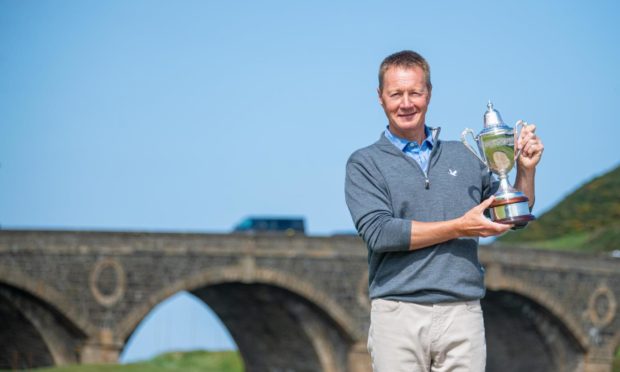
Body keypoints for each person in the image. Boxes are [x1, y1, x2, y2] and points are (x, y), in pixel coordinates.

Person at [344, 50, 544, 372]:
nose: (406, 103)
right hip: (397, 314)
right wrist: (459, 227)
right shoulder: (365, 163)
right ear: (381, 97)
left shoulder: (465, 156)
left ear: (429, 94)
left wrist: (525, 170)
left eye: (415, 92)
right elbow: (380, 233)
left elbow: (508, 214)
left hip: (462, 313)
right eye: (396, 93)